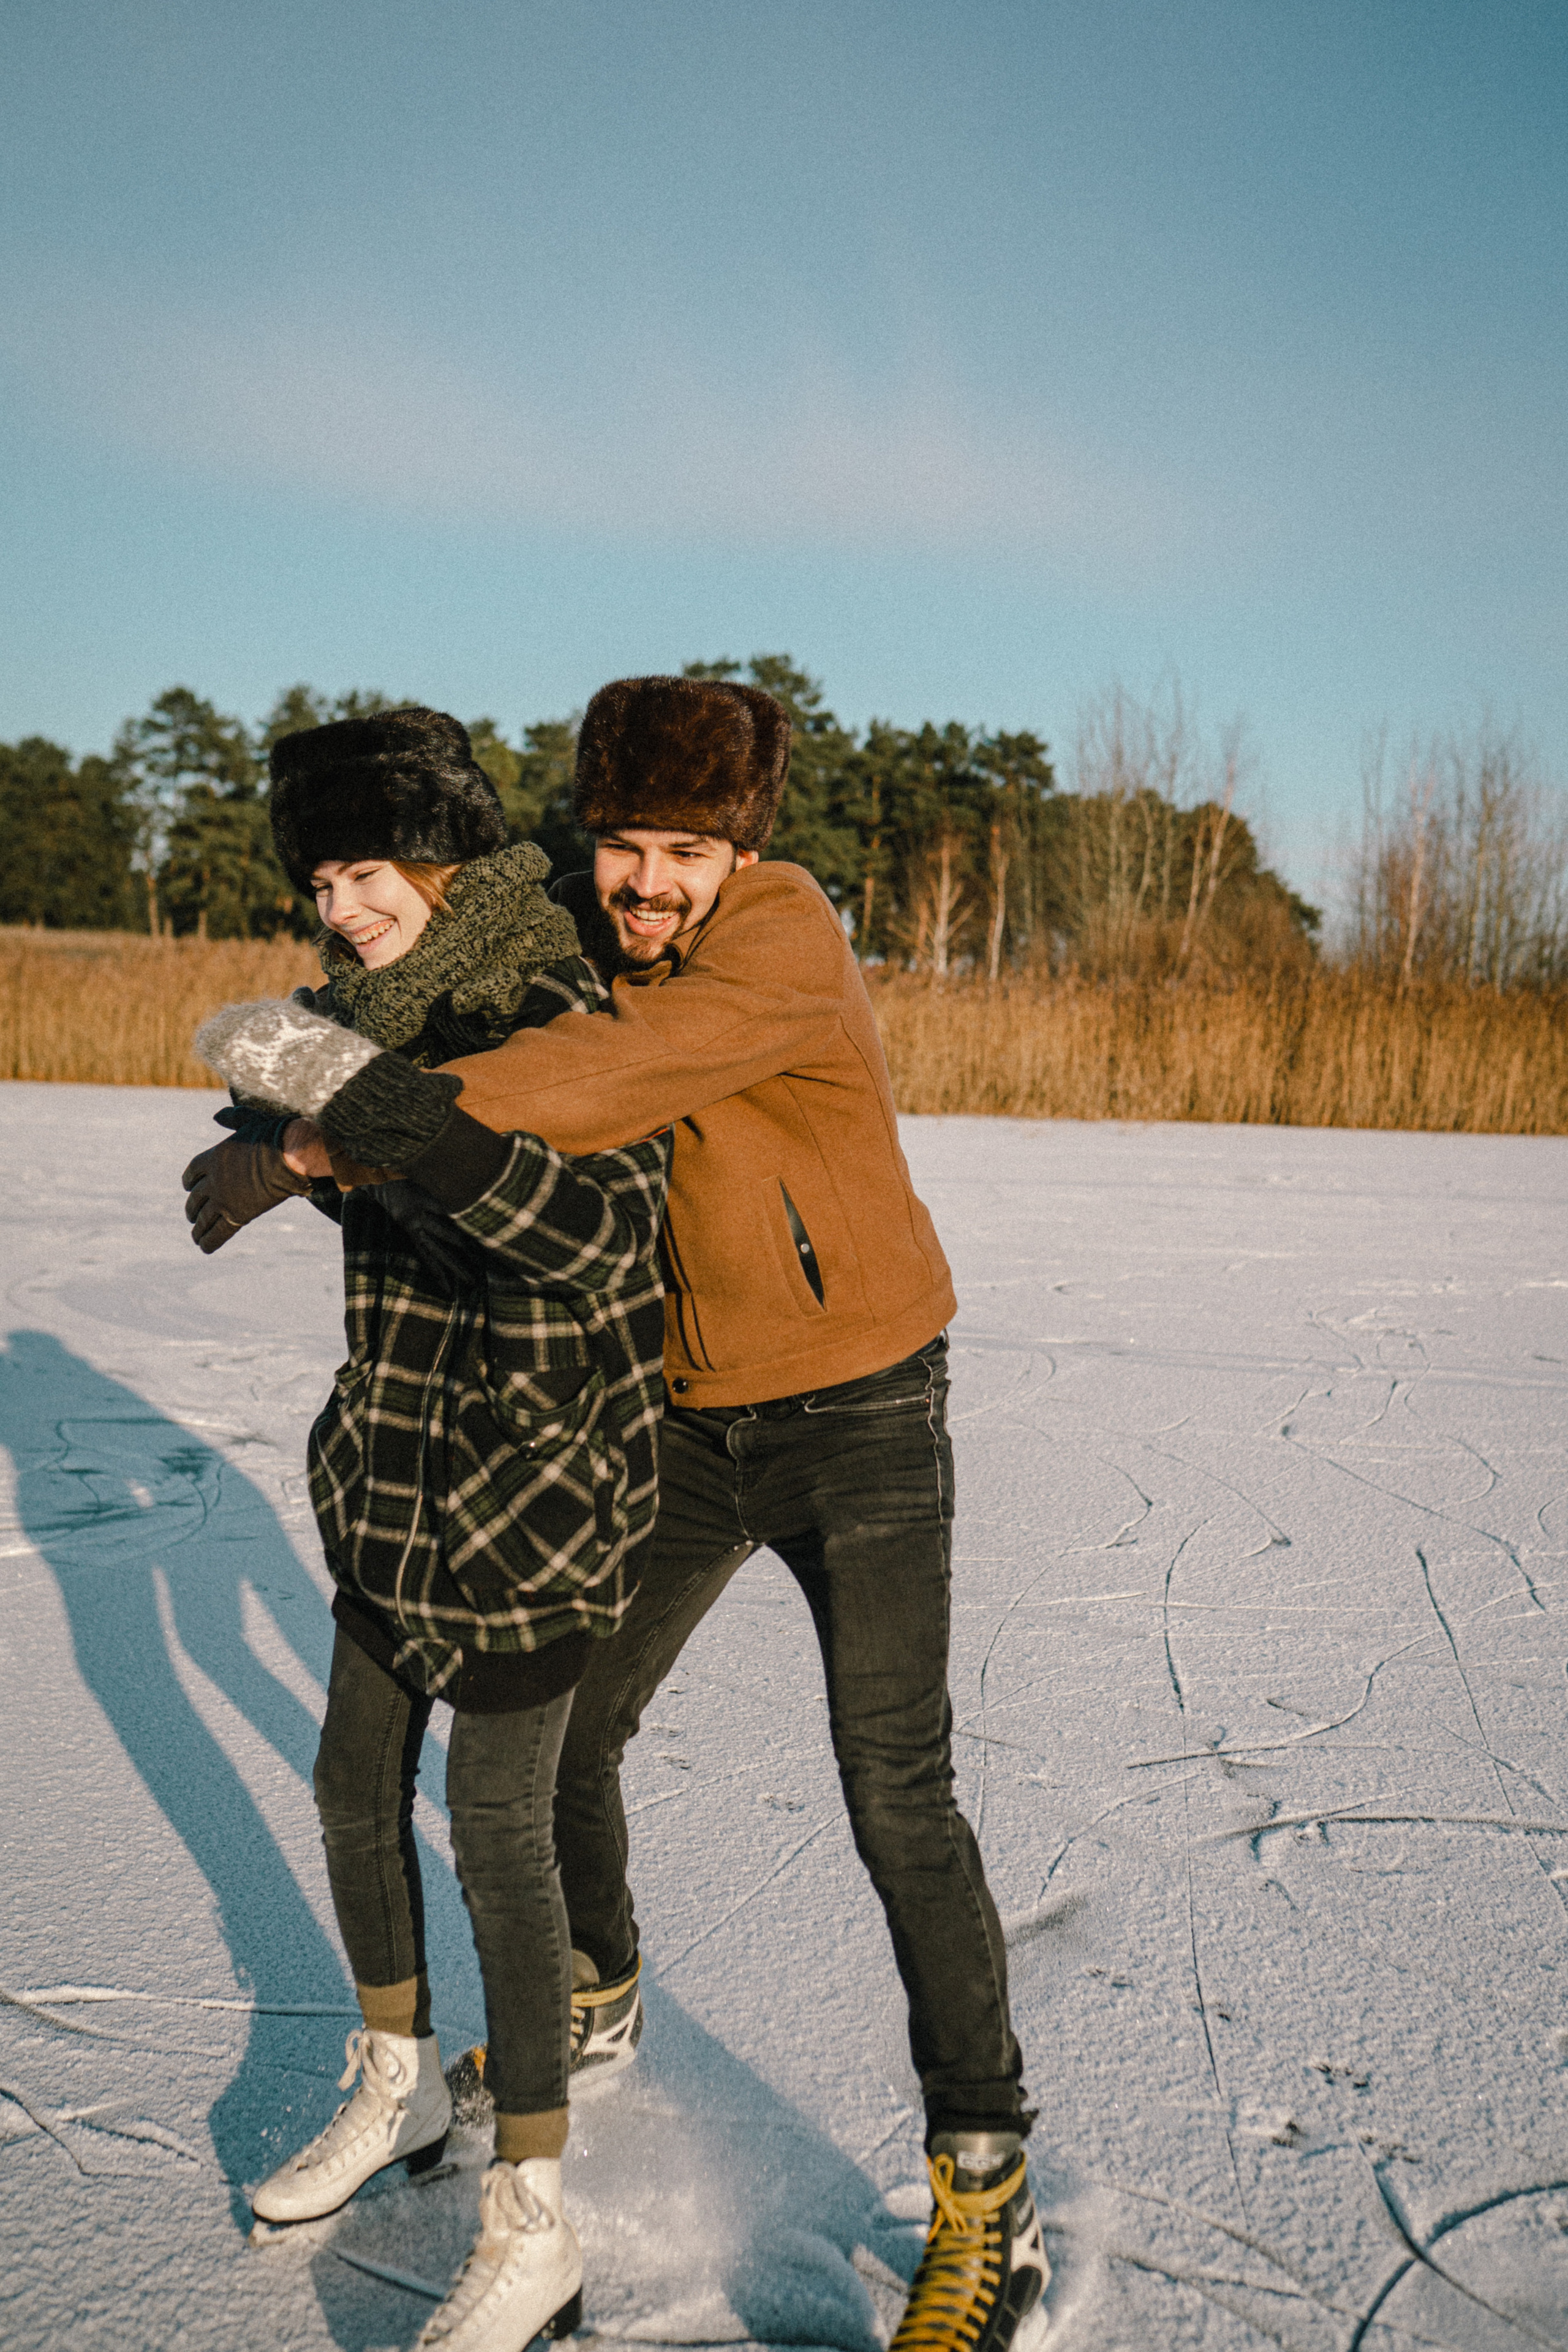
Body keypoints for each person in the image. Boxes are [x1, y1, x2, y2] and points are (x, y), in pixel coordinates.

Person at [435, 676, 1050, 2352]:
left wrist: (366, 1127)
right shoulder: (582, 917)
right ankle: (601, 1990)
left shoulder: (781, 938)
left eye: (684, 849)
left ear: (741, 848)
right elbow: (438, 937)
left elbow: (618, 1072)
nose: (646, 881)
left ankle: (988, 2191)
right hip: (689, 1420)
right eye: (621, 843)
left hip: (860, 1406)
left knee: (895, 1794)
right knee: (560, 1731)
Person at [184, 707, 670, 2352]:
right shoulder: (375, 1017)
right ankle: (391, 2082)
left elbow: (591, 1238)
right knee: (347, 1782)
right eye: (318, 875)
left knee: (503, 1842)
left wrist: (358, 1124)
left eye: (366, 865)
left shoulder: (560, 1012)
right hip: (394, 1481)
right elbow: (358, 1105)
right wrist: (298, 1150)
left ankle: (533, 2219)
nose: (340, 903)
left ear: (446, 858)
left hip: (532, 1495)